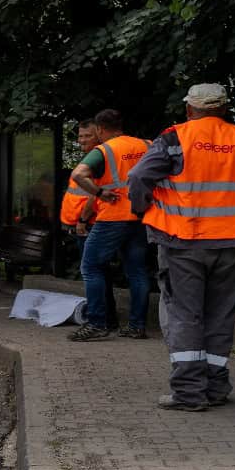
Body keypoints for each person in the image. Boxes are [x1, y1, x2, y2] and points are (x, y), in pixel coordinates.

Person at [128, 82, 235, 411]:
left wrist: (142, 210)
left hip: (184, 242)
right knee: (221, 315)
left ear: (189, 109)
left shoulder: (174, 139)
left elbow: (138, 178)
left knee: (185, 316)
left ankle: (188, 393)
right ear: (224, 109)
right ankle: (216, 387)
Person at [66, 109, 151, 341]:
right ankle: (137, 326)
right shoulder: (147, 144)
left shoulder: (104, 150)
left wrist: (100, 193)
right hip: (141, 217)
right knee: (137, 272)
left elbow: (78, 175)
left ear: (100, 130)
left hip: (113, 217)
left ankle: (97, 323)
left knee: (91, 267)